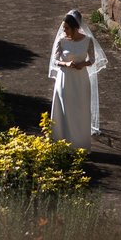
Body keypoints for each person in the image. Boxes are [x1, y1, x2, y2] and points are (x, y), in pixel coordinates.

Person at [48, 10, 108, 149]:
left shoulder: (87, 40)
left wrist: (83, 64)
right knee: (64, 109)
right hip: (64, 78)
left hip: (80, 79)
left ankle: (79, 144)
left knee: (80, 109)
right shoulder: (61, 40)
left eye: (67, 28)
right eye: (63, 28)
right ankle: (61, 143)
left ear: (75, 28)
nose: (64, 30)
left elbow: (92, 59)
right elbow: (55, 60)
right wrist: (66, 64)